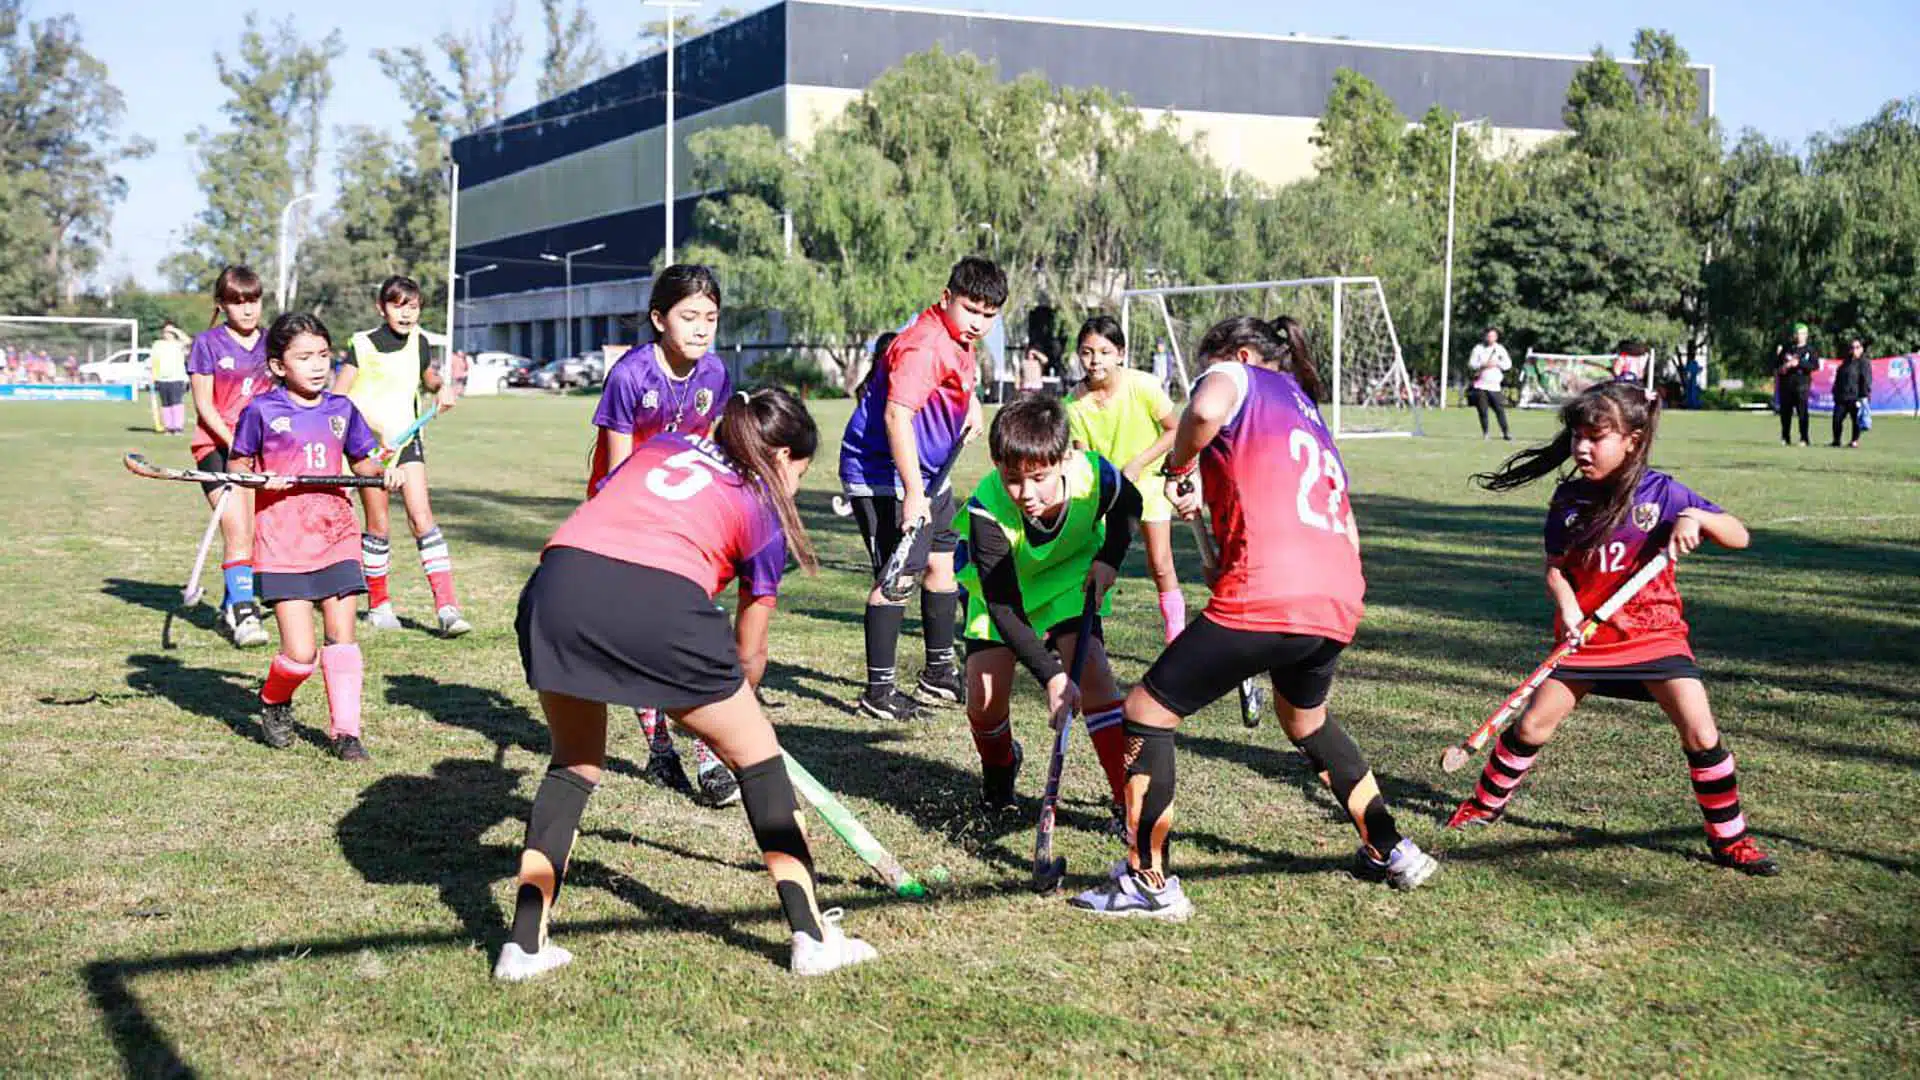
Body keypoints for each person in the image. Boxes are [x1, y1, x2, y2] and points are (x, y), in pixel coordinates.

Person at [498, 388, 879, 980]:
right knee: (758, 758)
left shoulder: (667, 445)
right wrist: (739, 702)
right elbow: (750, 651)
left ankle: (522, 946)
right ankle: (812, 936)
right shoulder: (763, 506)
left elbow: (610, 513)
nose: (796, 487)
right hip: (655, 603)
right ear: (781, 458)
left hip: (556, 588)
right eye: (800, 473)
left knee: (573, 763)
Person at [1071, 316, 1439, 921]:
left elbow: (1205, 411)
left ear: (1240, 354)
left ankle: (1148, 882)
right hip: (1338, 595)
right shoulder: (1306, 411)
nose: (1198, 382)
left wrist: (1182, 461)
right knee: (1306, 720)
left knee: (1144, 711)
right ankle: (1391, 847)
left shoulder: (1235, 375)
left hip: (1274, 593)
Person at [1450, 382, 1777, 876]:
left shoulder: (1663, 492)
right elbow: (1556, 567)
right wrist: (1567, 610)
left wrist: (1696, 518)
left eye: (1596, 437)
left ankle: (1730, 841)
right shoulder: (1569, 498)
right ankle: (1484, 805)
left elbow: (1740, 535)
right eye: (1577, 435)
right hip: (1589, 639)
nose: (1582, 447)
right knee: (1533, 725)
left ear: (1633, 440)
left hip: (1655, 633)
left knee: (1700, 731)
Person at [587, 265, 739, 808]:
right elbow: (618, 469)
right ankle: (660, 749)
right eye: (689, 316)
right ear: (659, 319)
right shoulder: (630, 376)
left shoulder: (716, 373)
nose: (702, 329)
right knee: (644, 637)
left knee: (692, 632)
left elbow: (714, 450)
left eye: (711, 319)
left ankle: (708, 756)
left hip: (684, 517)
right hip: (624, 514)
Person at [958, 395, 1142, 835]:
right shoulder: (988, 509)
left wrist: (1110, 560)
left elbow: (1129, 505)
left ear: (1065, 457)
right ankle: (1001, 776)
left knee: (1095, 677)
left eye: (1039, 478)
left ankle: (1124, 800)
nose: (1027, 495)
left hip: (1067, 582)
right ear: (996, 464)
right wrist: (1051, 675)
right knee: (984, 704)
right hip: (1000, 595)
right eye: (1012, 479)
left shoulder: (1093, 475)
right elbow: (1003, 605)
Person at [228, 313, 401, 762]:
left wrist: (386, 475)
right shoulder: (261, 411)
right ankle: (272, 699)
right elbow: (238, 468)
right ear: (279, 366)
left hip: (335, 534)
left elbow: (365, 465)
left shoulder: (342, 410)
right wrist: (259, 481)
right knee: (301, 654)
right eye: (304, 357)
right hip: (283, 540)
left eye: (323, 355)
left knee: (342, 635)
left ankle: (347, 733)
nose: (318, 365)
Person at [838, 255, 1001, 722]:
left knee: (942, 564)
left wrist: (971, 406)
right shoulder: (925, 344)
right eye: (972, 310)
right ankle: (879, 692)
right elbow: (897, 415)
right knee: (897, 577)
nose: (979, 323)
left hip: (932, 473)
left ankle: (938, 671)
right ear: (947, 298)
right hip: (886, 476)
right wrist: (913, 493)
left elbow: (956, 379)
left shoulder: (956, 336)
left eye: (989, 315)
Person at [334, 275, 469, 637]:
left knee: (421, 516)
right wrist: (362, 440)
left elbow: (427, 379)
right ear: (382, 308)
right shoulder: (362, 345)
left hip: (407, 442)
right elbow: (337, 398)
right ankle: (379, 605)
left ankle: (447, 607)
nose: (407, 314)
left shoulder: (420, 343)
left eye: (413, 306)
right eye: (398, 305)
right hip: (368, 449)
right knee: (378, 525)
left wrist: (443, 388)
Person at [1063, 315, 1185, 643]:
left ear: (1120, 353)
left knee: (1160, 564)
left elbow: (1175, 430)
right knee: (1094, 563)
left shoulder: (1142, 385)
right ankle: (1086, 634)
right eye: (1087, 352)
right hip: (1107, 491)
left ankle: (1177, 639)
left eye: (1104, 351)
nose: (1095, 360)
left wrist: (1137, 463)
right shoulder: (1074, 404)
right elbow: (1082, 457)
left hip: (1147, 483)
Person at [188, 264, 272, 648]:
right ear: (222, 305)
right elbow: (205, 407)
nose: (248, 309)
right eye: (238, 302)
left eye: (253, 300)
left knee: (253, 536)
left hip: (261, 454)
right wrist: (238, 444)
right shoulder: (207, 344)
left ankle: (229, 603)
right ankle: (244, 614)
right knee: (237, 529)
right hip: (216, 448)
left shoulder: (273, 343)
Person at [1774, 323, 1817, 446]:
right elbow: (1777, 365)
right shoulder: (1787, 348)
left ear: (1806, 335)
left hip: (1802, 386)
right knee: (1785, 413)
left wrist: (1798, 363)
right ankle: (1785, 437)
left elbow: (1814, 366)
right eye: (1798, 333)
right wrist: (1783, 367)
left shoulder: (1810, 350)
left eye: (1803, 334)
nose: (1800, 336)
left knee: (1802, 413)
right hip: (1786, 385)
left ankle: (1804, 438)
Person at [1465, 327, 1512, 440]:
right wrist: (1483, 365)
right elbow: (1472, 364)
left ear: (1496, 337)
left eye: (1493, 336)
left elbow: (1508, 365)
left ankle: (1506, 433)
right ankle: (1486, 433)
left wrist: (1497, 363)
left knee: (1499, 410)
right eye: (1489, 336)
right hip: (1481, 385)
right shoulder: (1478, 348)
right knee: (1483, 410)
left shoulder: (1500, 349)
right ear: (1485, 336)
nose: (1490, 338)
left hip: (1495, 386)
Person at [149, 321, 192, 434]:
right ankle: (168, 427)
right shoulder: (158, 344)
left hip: (176, 378)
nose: (167, 334)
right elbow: (154, 361)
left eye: (169, 332)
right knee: (165, 404)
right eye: (165, 332)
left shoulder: (179, 344)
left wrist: (174, 330)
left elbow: (188, 341)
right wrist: (153, 375)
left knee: (176, 402)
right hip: (162, 379)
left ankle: (177, 427)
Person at [1831, 336, 1872, 448]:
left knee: (1856, 421)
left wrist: (1864, 397)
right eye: (1852, 347)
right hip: (1842, 396)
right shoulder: (1846, 362)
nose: (1854, 350)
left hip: (1856, 397)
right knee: (1837, 419)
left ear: (1862, 349)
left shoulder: (1864, 362)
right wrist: (1835, 391)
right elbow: (1839, 377)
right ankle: (1836, 440)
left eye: (1857, 347)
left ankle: (1854, 441)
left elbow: (1866, 380)